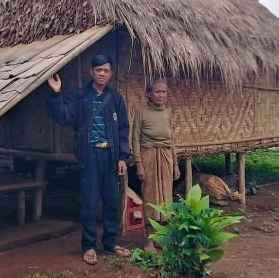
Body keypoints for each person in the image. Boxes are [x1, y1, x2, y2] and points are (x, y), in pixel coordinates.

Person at [46, 54, 132, 265]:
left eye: (106, 71)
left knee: (112, 200)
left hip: (110, 156)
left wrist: (122, 156)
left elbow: (122, 129)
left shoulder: (115, 99)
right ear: (91, 72)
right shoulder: (80, 97)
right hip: (90, 156)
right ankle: (89, 246)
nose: (102, 74)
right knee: (89, 201)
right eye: (98, 70)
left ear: (110, 74)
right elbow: (62, 116)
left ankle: (111, 242)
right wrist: (56, 94)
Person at [131, 77, 180, 252]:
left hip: (166, 158)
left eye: (164, 92)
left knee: (166, 198)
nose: (161, 95)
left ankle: (161, 238)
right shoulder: (141, 112)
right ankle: (149, 241)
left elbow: (172, 141)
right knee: (150, 198)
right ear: (149, 94)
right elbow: (135, 139)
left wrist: (175, 164)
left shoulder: (167, 113)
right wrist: (139, 163)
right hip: (148, 157)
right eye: (157, 92)